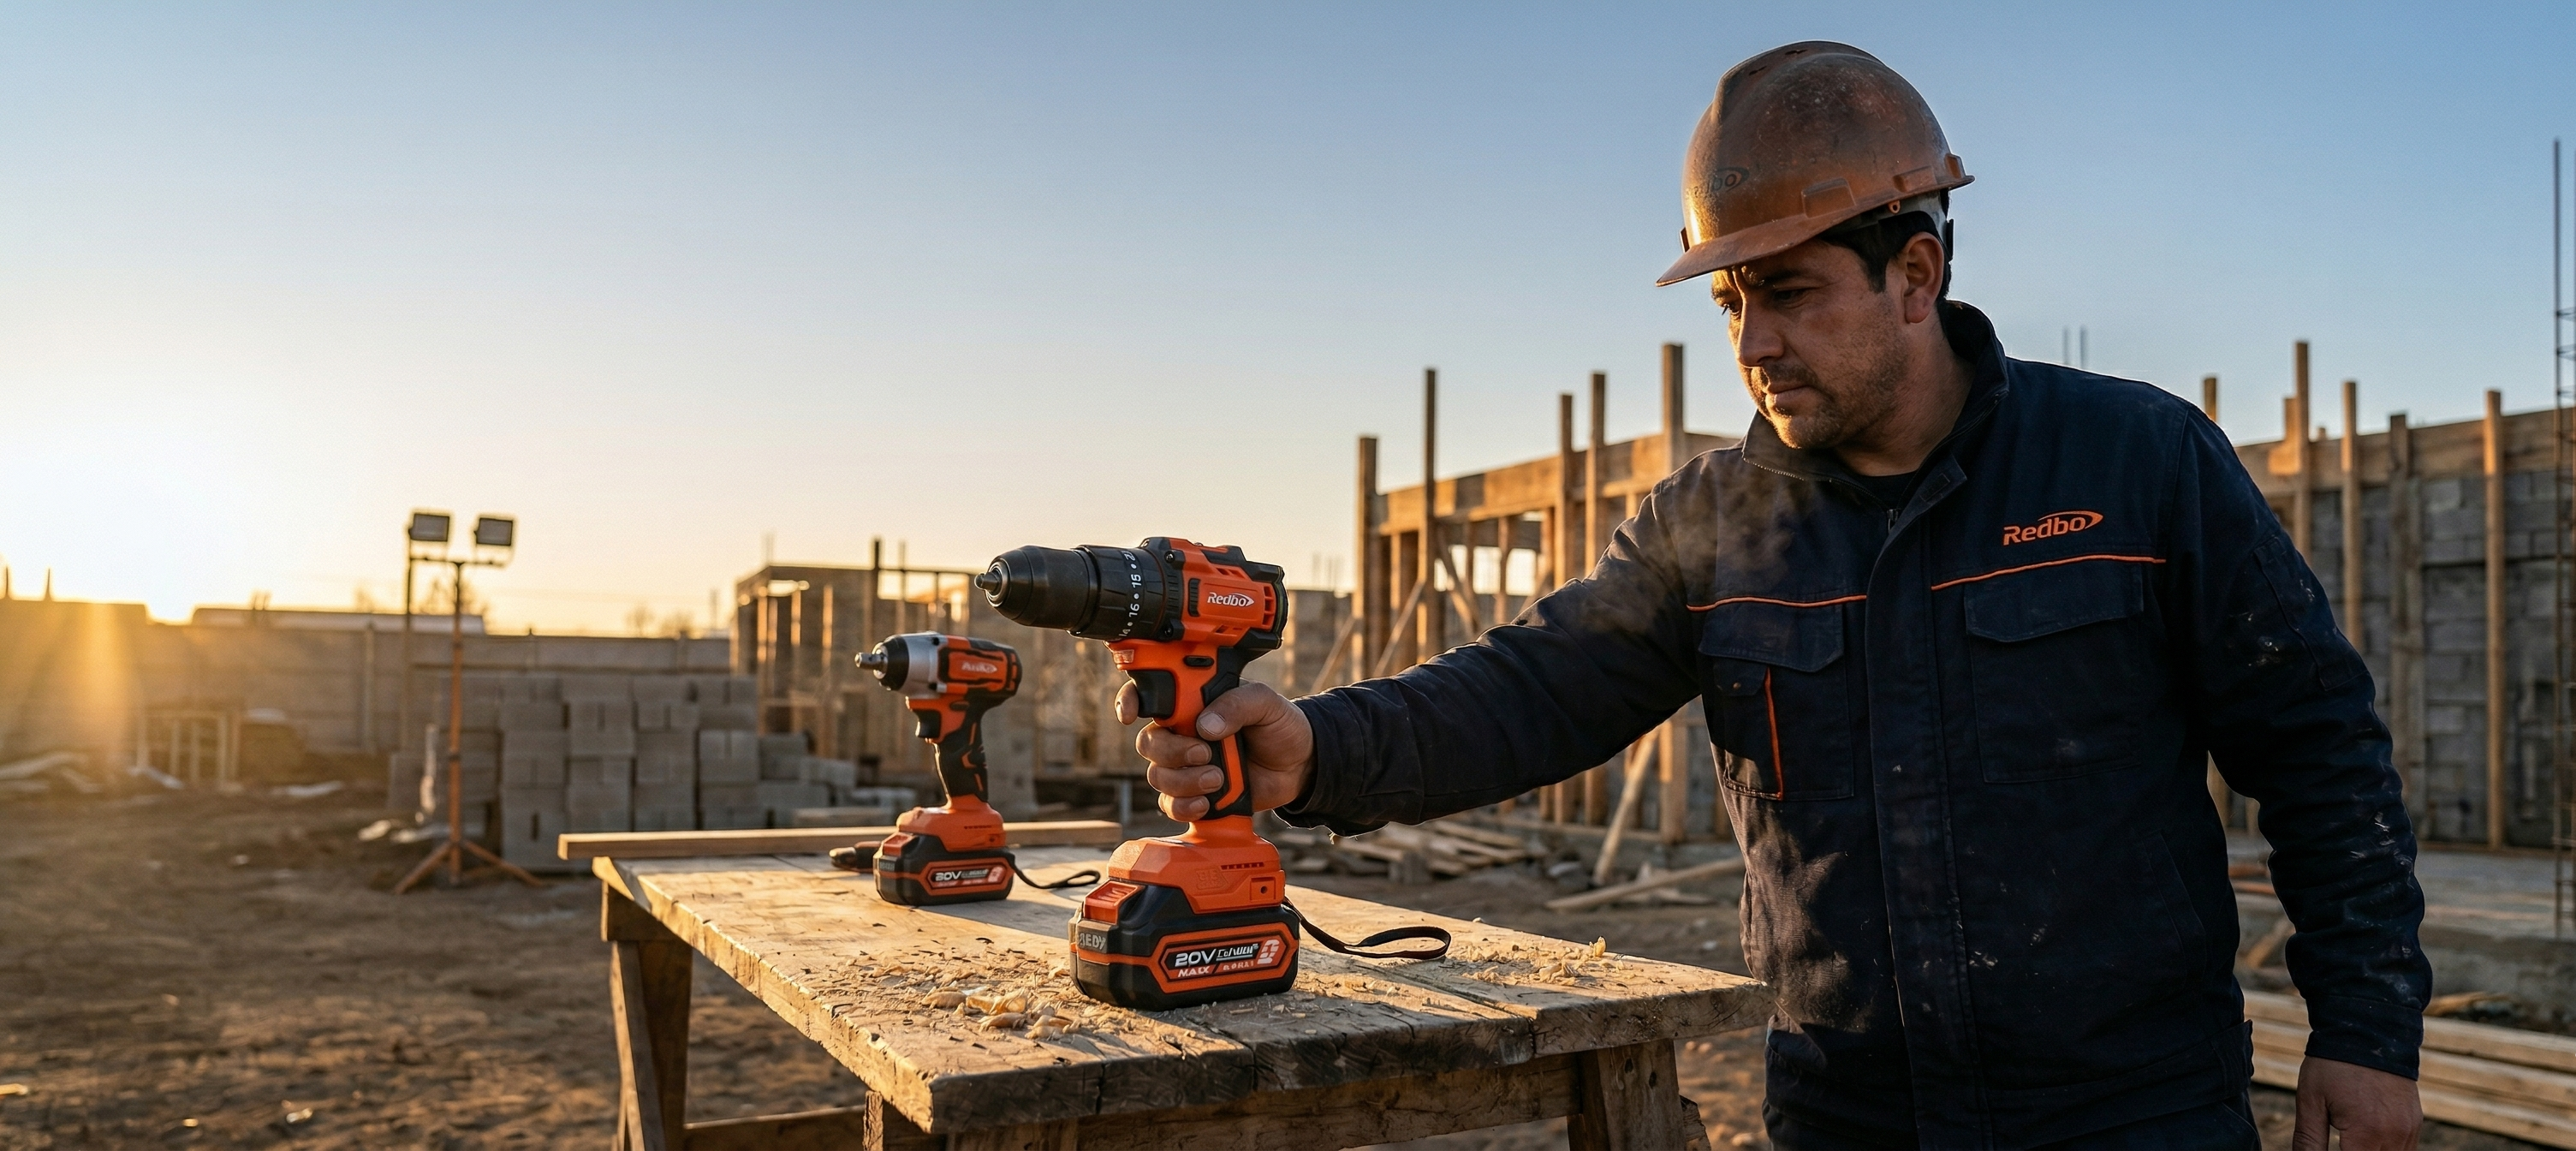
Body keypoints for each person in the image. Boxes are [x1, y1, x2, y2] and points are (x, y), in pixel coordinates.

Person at [1123, 40, 2429, 1151]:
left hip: (2133, 1109)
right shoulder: (1715, 524)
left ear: (1915, 276)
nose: (1752, 344)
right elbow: (1533, 690)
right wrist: (1319, 747)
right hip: (1849, 1111)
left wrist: (2367, 1037)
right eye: (1737, 300)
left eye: (1790, 294)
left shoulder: (2136, 464)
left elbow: (2320, 748)